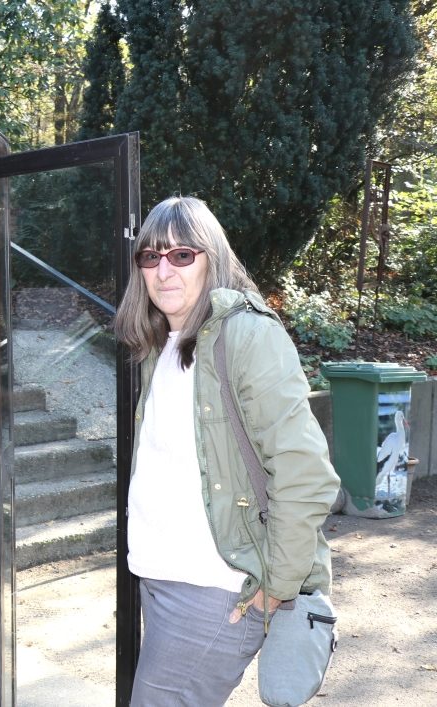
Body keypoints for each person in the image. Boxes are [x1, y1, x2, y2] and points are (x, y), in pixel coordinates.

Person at [113, 196, 340, 705]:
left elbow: (305, 472)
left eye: (181, 255)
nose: (163, 270)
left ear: (212, 257)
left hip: (216, 588)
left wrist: (277, 585)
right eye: (150, 257)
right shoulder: (162, 344)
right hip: (164, 579)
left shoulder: (246, 335)